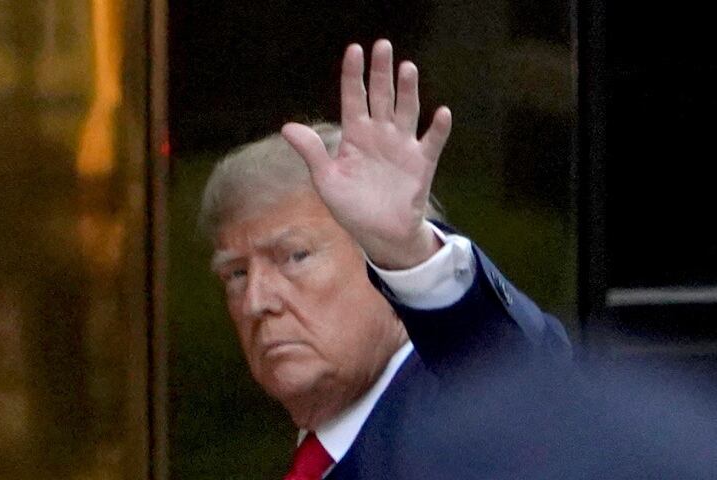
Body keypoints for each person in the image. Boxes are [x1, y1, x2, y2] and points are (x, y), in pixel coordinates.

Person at [199, 39, 717, 479]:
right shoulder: (325, 446)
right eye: (237, 273)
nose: (257, 301)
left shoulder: (459, 418)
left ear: (376, 260)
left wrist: (407, 253)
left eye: (294, 256)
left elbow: (523, 379)